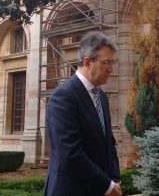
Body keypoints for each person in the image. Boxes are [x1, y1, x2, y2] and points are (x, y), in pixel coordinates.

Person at [45, 31, 122, 196]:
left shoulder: (101, 96)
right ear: (87, 62)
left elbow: (109, 143)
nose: (111, 69)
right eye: (106, 62)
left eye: (112, 62)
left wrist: (114, 179)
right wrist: (107, 186)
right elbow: (70, 154)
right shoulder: (63, 96)